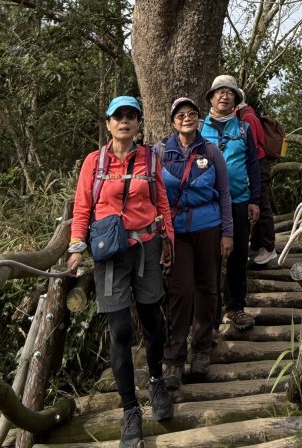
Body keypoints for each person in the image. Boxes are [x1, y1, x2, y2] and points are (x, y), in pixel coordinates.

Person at [68, 95, 174, 448]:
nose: (125, 121)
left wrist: (168, 238)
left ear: (138, 123)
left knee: (153, 323)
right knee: (120, 330)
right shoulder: (93, 162)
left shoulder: (151, 159)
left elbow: (161, 203)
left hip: (146, 247)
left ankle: (157, 380)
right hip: (109, 253)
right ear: (109, 123)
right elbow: (83, 206)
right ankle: (131, 409)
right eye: (119, 116)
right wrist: (75, 248)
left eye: (131, 116)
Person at [159, 96, 234, 388]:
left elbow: (224, 193)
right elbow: (155, 195)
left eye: (192, 113)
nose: (186, 117)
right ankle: (174, 359)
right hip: (176, 231)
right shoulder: (161, 152)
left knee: (207, 287)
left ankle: (202, 349)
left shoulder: (212, 152)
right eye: (180, 114)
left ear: (199, 119)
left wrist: (227, 233)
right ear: (173, 120)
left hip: (209, 226)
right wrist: (162, 233)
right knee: (180, 292)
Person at [201, 75, 260, 331]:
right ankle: (210, 317)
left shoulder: (243, 129)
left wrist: (254, 200)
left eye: (230, 92)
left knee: (238, 256)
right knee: (210, 259)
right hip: (208, 204)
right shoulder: (197, 129)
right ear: (211, 98)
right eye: (219, 92)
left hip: (239, 200)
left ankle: (235, 308)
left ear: (236, 100)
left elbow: (253, 165)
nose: (224, 96)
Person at [239, 95, 278, 266]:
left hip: (258, 166)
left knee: (262, 206)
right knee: (261, 204)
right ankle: (256, 246)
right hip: (262, 164)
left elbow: (251, 147)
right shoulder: (250, 114)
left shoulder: (247, 118)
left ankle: (269, 249)